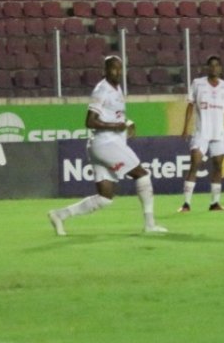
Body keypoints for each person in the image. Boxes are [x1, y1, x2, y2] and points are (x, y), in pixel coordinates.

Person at [48, 56, 168, 236]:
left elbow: (113, 114)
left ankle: (59, 215)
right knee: (142, 175)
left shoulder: (117, 88)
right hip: (107, 142)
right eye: (113, 68)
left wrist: (127, 122)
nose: (118, 72)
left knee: (105, 198)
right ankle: (150, 224)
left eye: (120, 69)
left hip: (101, 145)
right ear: (104, 70)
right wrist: (116, 126)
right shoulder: (101, 90)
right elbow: (90, 121)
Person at [179, 55, 224, 213]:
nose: (214, 68)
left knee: (218, 167)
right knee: (195, 164)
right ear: (207, 68)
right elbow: (190, 106)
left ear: (221, 68)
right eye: (211, 65)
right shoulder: (198, 84)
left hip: (218, 133)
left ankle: (215, 203)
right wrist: (185, 127)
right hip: (201, 132)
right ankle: (186, 203)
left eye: (217, 65)